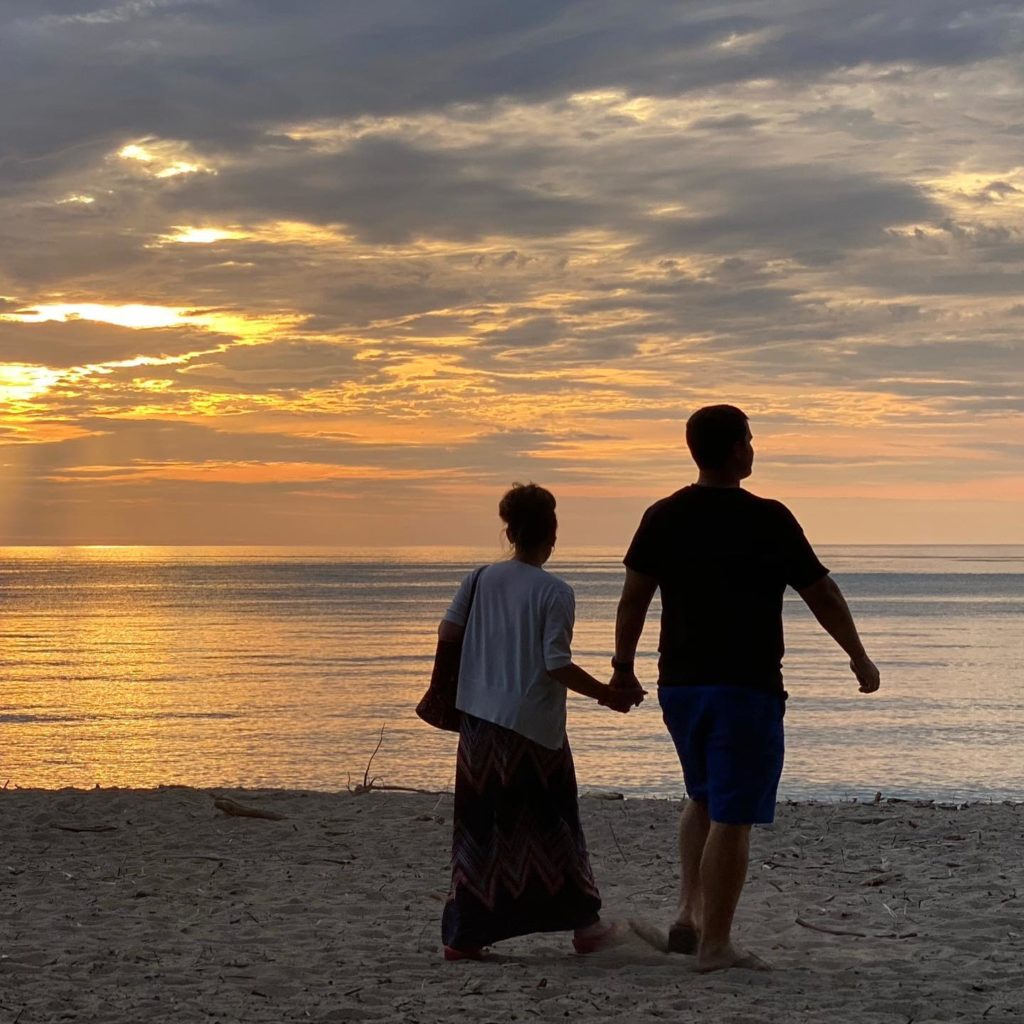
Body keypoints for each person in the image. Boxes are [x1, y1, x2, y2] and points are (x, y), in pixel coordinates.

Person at [610, 405, 880, 973]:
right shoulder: (768, 518)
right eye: (750, 440)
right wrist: (857, 655)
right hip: (745, 686)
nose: (753, 449)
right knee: (732, 815)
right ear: (736, 449)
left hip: (680, 685)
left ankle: (689, 915)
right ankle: (716, 946)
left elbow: (633, 599)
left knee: (704, 796)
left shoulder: (663, 515)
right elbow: (822, 594)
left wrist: (623, 667)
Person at [438, 482, 645, 961]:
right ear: (552, 534)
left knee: (481, 829)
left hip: (479, 727)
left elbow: (449, 632)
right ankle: (585, 926)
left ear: (509, 532)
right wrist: (607, 694)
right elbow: (556, 663)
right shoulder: (555, 591)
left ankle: (465, 935)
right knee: (554, 824)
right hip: (533, 731)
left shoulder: (478, 580)